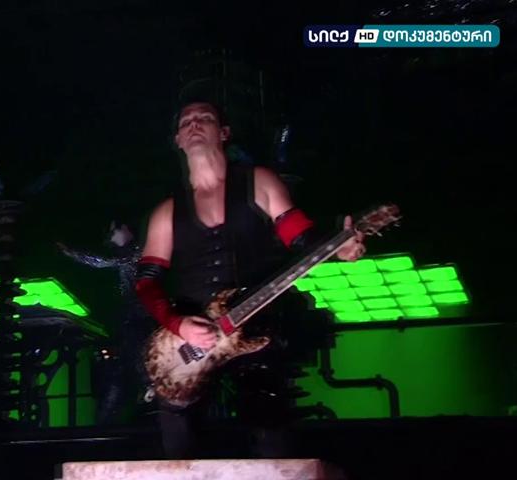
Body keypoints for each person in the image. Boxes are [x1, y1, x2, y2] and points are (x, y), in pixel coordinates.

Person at [134, 100, 366, 459]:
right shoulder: (167, 211)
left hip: (257, 327)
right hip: (190, 340)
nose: (194, 124)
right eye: (186, 122)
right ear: (177, 139)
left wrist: (339, 246)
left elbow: (301, 237)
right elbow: (146, 282)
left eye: (205, 118)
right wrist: (178, 324)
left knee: (271, 429)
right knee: (178, 438)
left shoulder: (259, 182)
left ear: (224, 132)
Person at [57, 220, 154, 425]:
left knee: (136, 361)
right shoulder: (129, 255)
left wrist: (71, 252)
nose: (113, 235)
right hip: (132, 320)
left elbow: (101, 261)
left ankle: (147, 394)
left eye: (115, 229)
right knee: (122, 368)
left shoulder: (136, 253)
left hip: (141, 319)